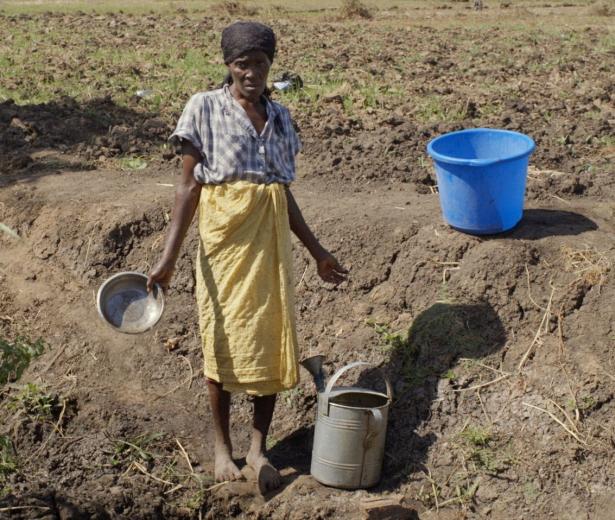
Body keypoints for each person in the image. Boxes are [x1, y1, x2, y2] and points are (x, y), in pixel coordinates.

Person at [147, 21, 347, 493]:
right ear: (227, 65)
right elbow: (188, 187)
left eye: (260, 64)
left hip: (270, 243)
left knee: (268, 338)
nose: (251, 73)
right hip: (224, 241)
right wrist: (168, 258)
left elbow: (281, 192)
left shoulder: (279, 117)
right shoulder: (204, 108)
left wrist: (317, 251)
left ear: (269, 66)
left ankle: (258, 448)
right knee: (221, 339)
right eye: (242, 64)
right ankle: (222, 447)